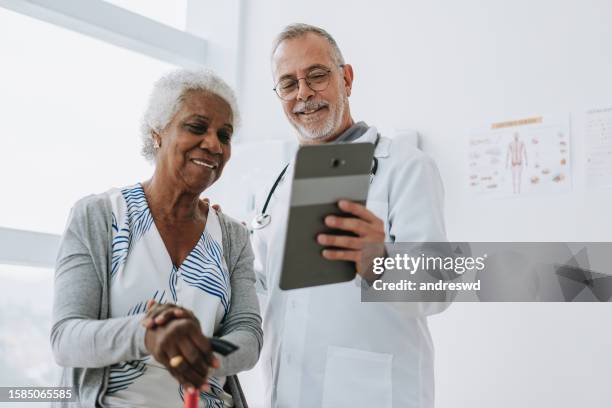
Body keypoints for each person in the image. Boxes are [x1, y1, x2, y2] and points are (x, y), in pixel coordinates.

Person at [250, 24, 448, 407]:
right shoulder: (273, 185)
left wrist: (381, 263)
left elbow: (437, 287)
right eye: (288, 84)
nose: (303, 93)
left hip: (372, 393)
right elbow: (267, 292)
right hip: (286, 391)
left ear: (347, 78)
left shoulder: (405, 167)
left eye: (317, 75)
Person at [50, 69, 263, 408]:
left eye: (225, 135)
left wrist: (198, 354)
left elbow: (248, 335)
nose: (213, 144)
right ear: (157, 133)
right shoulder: (100, 216)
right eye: (196, 127)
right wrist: (148, 335)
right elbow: (66, 339)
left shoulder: (232, 236)